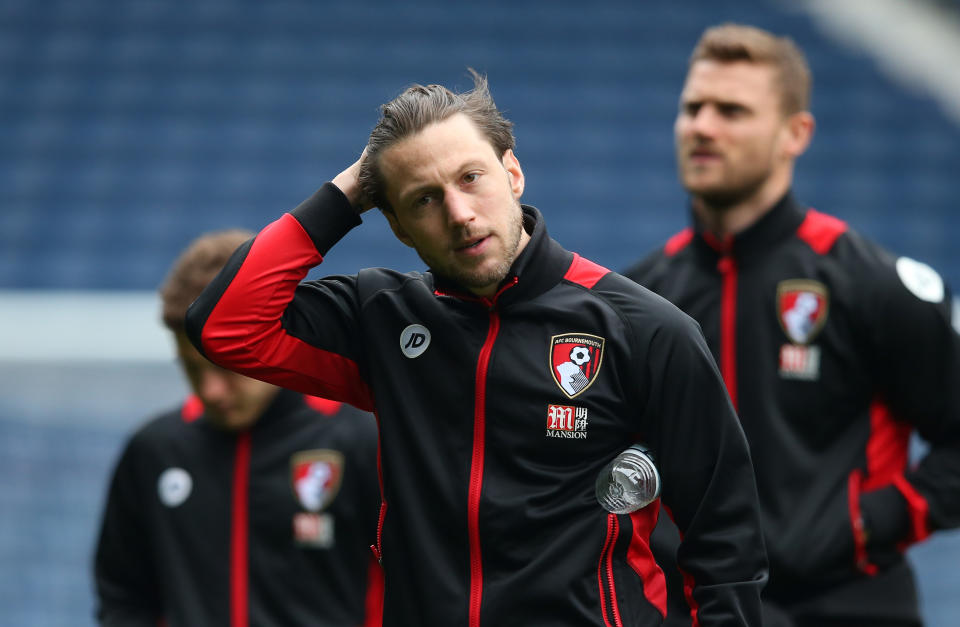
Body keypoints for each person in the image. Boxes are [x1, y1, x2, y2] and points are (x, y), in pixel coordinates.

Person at [184, 72, 768, 627]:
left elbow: (724, 543)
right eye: (423, 200)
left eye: (470, 178)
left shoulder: (644, 330)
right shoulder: (382, 319)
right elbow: (224, 325)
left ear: (513, 174)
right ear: (397, 229)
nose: (460, 215)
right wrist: (345, 194)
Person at [625, 23, 960, 627]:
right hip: (695, 612)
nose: (703, 126)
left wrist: (869, 525)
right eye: (693, 107)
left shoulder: (869, 283)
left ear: (794, 134)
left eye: (731, 111)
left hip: (847, 606)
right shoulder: (640, 298)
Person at [93, 229, 383, 627]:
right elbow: (123, 598)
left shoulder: (362, 440)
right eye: (192, 370)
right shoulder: (154, 452)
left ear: (269, 338)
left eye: (224, 366)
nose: (210, 391)